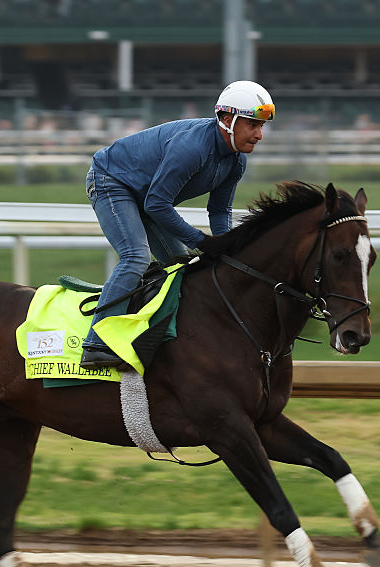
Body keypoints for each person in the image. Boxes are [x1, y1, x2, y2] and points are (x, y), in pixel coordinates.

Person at [79, 80, 275, 370]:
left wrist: (226, 248)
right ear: (227, 120)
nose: (259, 135)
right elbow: (157, 204)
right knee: (135, 256)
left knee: (178, 265)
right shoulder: (192, 148)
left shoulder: (235, 161)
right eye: (252, 125)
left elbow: (220, 210)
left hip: (145, 195)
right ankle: (96, 343)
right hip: (112, 182)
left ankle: (157, 336)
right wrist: (201, 241)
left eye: (261, 127)